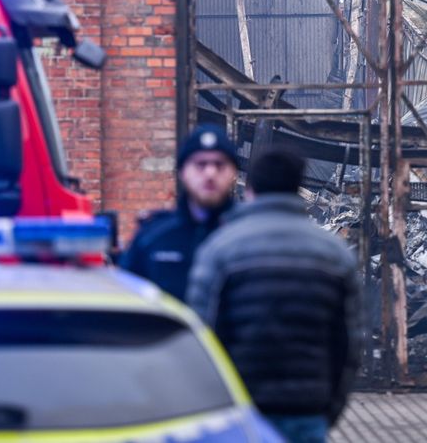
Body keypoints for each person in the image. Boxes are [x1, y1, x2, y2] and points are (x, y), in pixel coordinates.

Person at [187, 148, 362, 443]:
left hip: (241, 413)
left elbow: (202, 338)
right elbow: (348, 343)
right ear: (297, 189)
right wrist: (330, 407)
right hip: (307, 411)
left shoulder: (220, 250)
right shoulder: (335, 254)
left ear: (251, 189)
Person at [118, 124, 239, 301]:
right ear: (182, 172)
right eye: (200, 164)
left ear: (233, 173)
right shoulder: (154, 237)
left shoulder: (249, 236)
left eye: (219, 165)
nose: (210, 173)